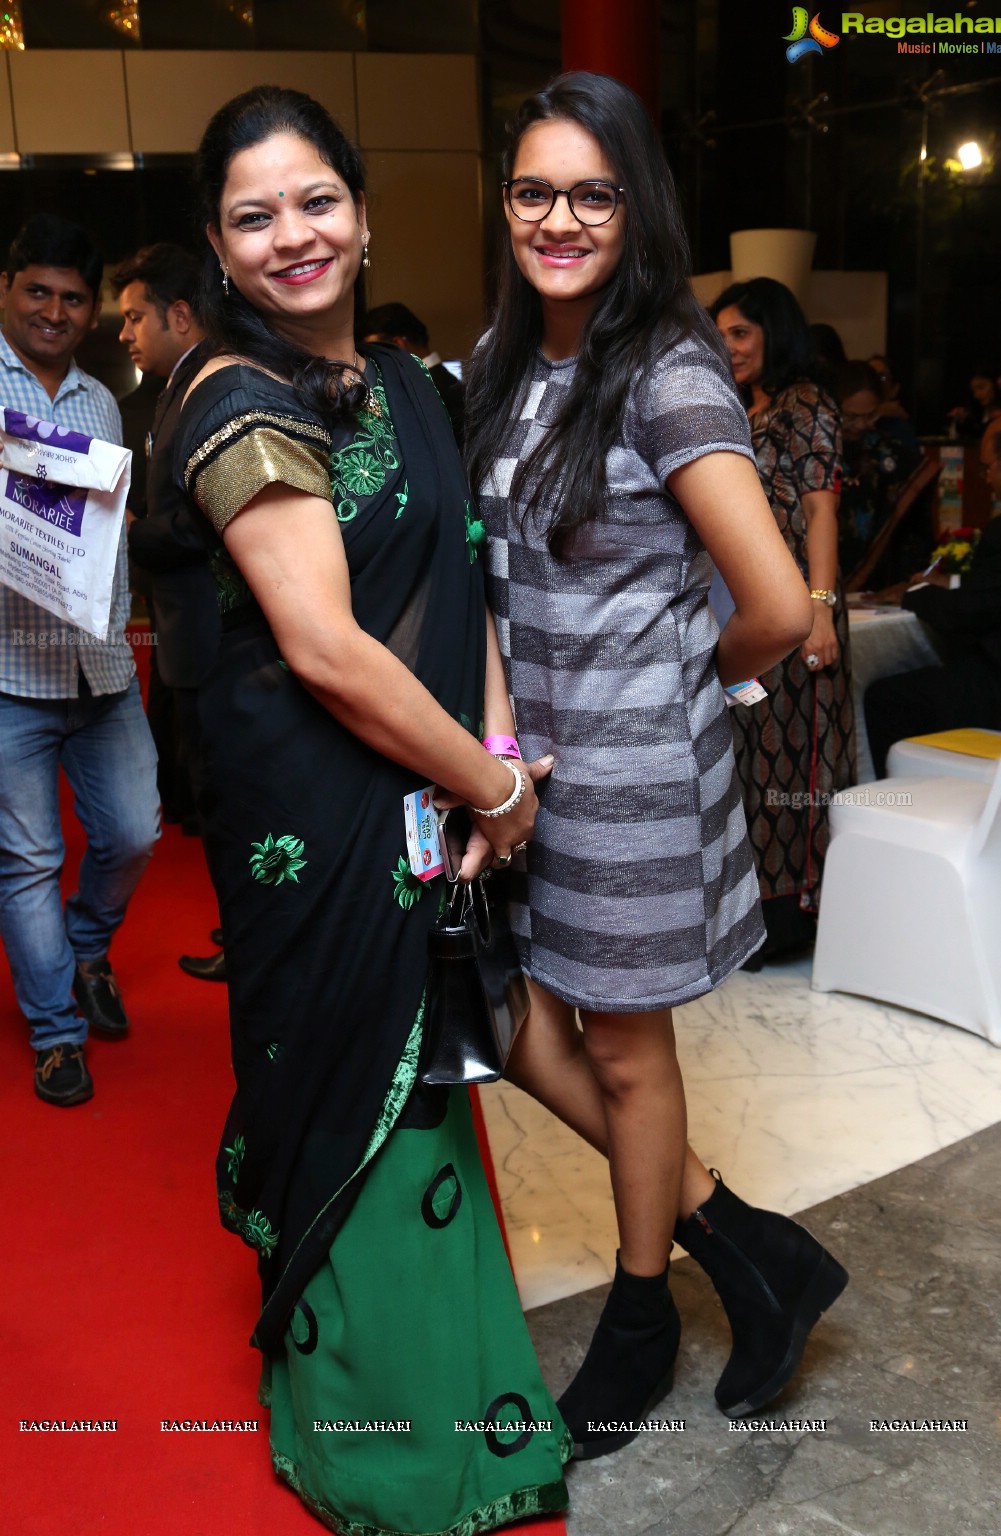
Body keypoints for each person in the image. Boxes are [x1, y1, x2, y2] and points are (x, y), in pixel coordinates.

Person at [174, 85, 570, 1533]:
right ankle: (389, 1458)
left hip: (432, 795)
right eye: (254, 216)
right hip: (315, 823)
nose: (293, 236)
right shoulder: (234, 400)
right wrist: (491, 783)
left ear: (361, 205)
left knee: (438, 1092)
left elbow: (459, 567)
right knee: (358, 1093)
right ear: (217, 247)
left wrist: (502, 741)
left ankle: (472, 1412)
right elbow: (329, 649)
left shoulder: (413, 382)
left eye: (315, 201)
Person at [465, 71, 846, 1459]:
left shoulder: (667, 369)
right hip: (542, 773)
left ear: (637, 207)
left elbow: (777, 602)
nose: (558, 217)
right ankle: (754, 1256)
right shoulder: (518, 355)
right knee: (524, 1023)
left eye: (591, 192)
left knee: (623, 1054)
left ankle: (643, 1313)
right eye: (533, 190)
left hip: (629, 780)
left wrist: (698, 685)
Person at [0, 213, 160, 1107]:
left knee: (135, 832)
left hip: (99, 668)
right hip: (6, 673)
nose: (55, 312)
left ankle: (84, 945)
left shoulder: (102, 400)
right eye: (38, 292)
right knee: (26, 860)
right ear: (6, 288)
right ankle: (58, 1032)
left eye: (72, 298)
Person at [710, 277, 855, 950]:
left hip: (800, 610)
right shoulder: (738, 406)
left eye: (741, 332)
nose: (728, 345)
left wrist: (820, 609)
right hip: (747, 612)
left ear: (776, 332)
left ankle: (793, 919)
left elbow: (822, 509)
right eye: (721, 334)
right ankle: (753, 916)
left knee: (796, 764)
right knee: (752, 760)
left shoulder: (806, 404)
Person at [112, 242, 226, 982]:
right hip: (193, 639)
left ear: (179, 316)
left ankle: (253, 946)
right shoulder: (173, 391)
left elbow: (199, 523)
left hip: (216, 640)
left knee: (228, 802)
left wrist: (124, 530)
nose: (124, 334)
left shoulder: (210, 390)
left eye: (134, 318)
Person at [864, 411, 1001, 777]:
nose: (985, 479)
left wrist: (909, 594)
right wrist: (948, 585)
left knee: (885, 697)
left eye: (988, 468)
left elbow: (967, 613)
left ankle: (902, 799)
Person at [836, 359, 933, 587]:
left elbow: (916, 529)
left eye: (870, 416)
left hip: (882, 579)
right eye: (850, 417)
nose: (860, 425)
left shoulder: (891, 454)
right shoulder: (818, 453)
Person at [361, 300, 465, 446]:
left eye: (376, 351)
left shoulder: (425, 388)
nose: (370, 360)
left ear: (397, 345)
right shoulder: (449, 382)